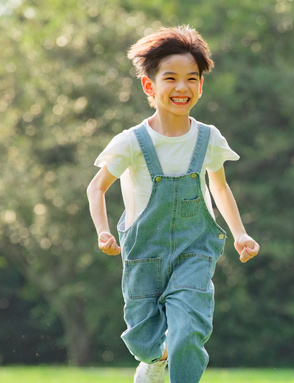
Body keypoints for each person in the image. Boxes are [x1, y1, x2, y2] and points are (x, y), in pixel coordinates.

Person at [86, 25, 260, 383]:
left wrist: (239, 234)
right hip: (144, 252)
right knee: (143, 339)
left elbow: (220, 189)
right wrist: (103, 232)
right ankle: (156, 359)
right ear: (150, 86)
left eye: (191, 79)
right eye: (171, 78)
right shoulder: (131, 142)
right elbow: (96, 188)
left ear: (200, 85)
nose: (182, 87)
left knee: (187, 332)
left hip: (194, 251)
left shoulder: (209, 138)